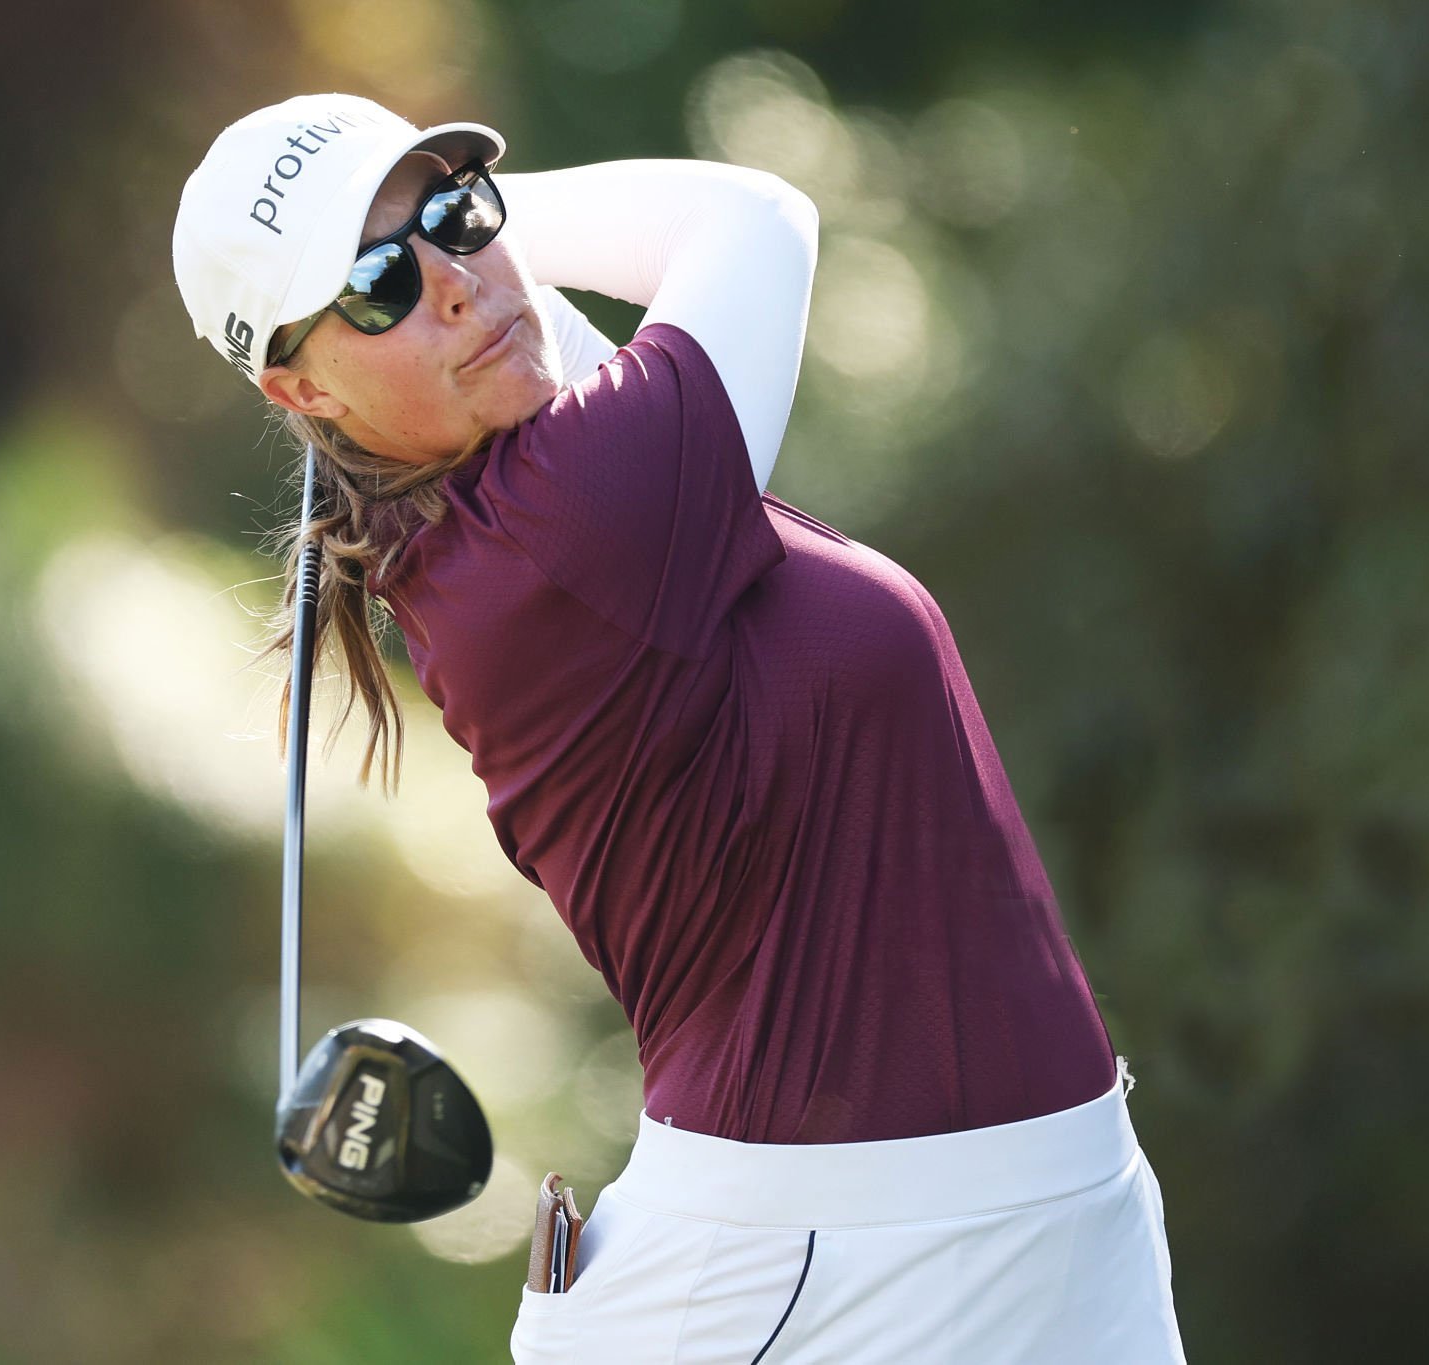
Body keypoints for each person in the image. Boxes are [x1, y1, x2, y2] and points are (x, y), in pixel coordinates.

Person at [173, 92, 1185, 1363]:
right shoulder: (562, 529)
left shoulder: (524, 484)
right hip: (820, 1281)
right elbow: (750, 221)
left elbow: (542, 326)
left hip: (1046, 1220)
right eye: (375, 285)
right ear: (300, 388)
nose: (453, 286)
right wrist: (493, 224)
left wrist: (453, 249)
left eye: (455, 214)